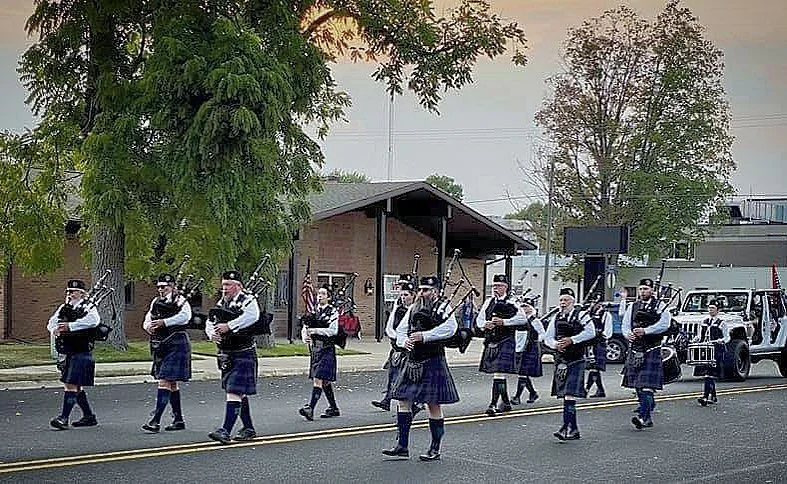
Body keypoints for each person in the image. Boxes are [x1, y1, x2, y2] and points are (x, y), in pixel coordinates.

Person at [383, 275, 459, 461]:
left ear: (435, 291)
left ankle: (435, 448)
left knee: (433, 405)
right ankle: (402, 446)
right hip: (412, 360)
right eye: (421, 290)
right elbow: (400, 331)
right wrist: (404, 342)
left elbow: (450, 329)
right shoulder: (413, 308)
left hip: (433, 360)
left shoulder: (443, 307)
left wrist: (425, 336)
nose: (422, 293)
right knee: (403, 401)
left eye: (426, 290)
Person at [206, 270, 261, 444]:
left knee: (234, 391)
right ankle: (248, 428)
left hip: (243, 352)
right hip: (227, 354)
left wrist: (229, 326)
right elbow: (211, 321)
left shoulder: (248, 301)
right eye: (223, 285)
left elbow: (253, 317)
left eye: (228, 285)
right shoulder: (223, 302)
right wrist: (211, 334)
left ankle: (225, 430)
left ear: (238, 286)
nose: (225, 288)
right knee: (238, 393)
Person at [141, 273, 193, 433]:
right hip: (161, 345)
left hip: (177, 343)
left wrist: (165, 322)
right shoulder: (156, 302)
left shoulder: (180, 300)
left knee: (164, 380)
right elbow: (147, 319)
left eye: (164, 287)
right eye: (159, 287)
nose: (161, 289)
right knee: (171, 383)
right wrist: (148, 327)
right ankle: (178, 420)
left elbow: (186, 317)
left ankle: (155, 420)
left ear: (172, 286)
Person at [47, 279, 101, 430]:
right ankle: (89, 416)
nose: (69, 294)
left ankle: (63, 418)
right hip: (68, 351)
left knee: (70, 384)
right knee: (74, 386)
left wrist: (70, 326)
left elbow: (94, 321)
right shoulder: (64, 308)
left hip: (82, 350)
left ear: (82, 294)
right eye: (68, 291)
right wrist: (55, 329)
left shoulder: (89, 307)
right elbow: (52, 322)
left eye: (73, 291)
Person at [542, 288, 594, 441]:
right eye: (561, 300)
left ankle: (569, 427)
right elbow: (547, 337)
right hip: (561, 359)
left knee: (569, 394)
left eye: (566, 300)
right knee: (565, 395)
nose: (563, 303)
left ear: (573, 302)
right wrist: (555, 345)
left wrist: (573, 340)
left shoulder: (582, 315)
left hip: (576, 358)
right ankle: (570, 428)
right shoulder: (556, 317)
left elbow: (590, 332)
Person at [622, 278, 671, 430]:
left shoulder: (660, 306)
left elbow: (665, 324)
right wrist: (628, 334)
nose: (643, 292)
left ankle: (644, 417)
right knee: (638, 385)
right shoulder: (633, 306)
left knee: (647, 386)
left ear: (652, 291)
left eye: (646, 289)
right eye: (641, 289)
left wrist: (646, 331)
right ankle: (647, 412)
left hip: (651, 349)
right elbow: (625, 324)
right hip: (636, 348)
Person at [475, 274, 526, 416]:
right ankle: (506, 403)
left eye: (499, 286)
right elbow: (479, 320)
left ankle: (492, 404)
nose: (496, 288)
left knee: (498, 373)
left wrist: (505, 322)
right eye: (495, 286)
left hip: (506, 340)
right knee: (499, 374)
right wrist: (486, 324)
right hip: (492, 340)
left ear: (506, 287)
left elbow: (522, 318)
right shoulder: (488, 302)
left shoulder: (513, 301)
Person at [372, 276, 419, 413]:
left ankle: (413, 403)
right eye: (402, 294)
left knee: (408, 379)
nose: (403, 297)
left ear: (413, 295)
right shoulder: (397, 308)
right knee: (393, 376)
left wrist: (406, 341)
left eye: (406, 294)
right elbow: (389, 328)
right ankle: (387, 400)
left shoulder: (417, 311)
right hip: (397, 349)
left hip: (410, 350)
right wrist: (399, 338)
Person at [299, 285, 341, 421]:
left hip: (327, 348)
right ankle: (333, 408)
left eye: (323, 294)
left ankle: (310, 408)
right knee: (325, 382)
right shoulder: (314, 311)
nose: (320, 295)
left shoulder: (333, 312)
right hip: (315, 349)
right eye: (319, 293)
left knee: (318, 379)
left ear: (328, 297)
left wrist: (316, 331)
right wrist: (305, 335)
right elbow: (305, 327)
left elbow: (333, 331)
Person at [693, 300, 730, 406]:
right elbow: (700, 336)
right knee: (708, 374)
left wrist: (721, 340)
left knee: (709, 374)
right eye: (709, 308)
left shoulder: (721, 323)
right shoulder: (704, 321)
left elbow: (727, 337)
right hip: (705, 350)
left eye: (713, 308)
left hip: (716, 350)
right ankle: (713, 397)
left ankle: (705, 397)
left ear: (718, 310)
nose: (711, 310)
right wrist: (694, 340)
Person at [512, 297, 544, 405]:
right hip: (520, 348)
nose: (524, 309)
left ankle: (517, 397)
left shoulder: (535, 321)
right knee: (523, 373)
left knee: (523, 373)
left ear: (531, 308)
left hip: (531, 349)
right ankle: (533, 393)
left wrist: (534, 341)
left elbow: (542, 334)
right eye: (522, 307)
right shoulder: (518, 320)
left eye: (526, 307)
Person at [585, 300, 613, 398]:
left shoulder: (605, 315)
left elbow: (608, 331)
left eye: (596, 303)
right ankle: (600, 391)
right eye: (592, 302)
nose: (593, 304)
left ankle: (586, 389)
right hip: (590, 343)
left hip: (599, 343)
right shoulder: (588, 313)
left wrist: (600, 335)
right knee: (593, 368)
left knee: (594, 368)